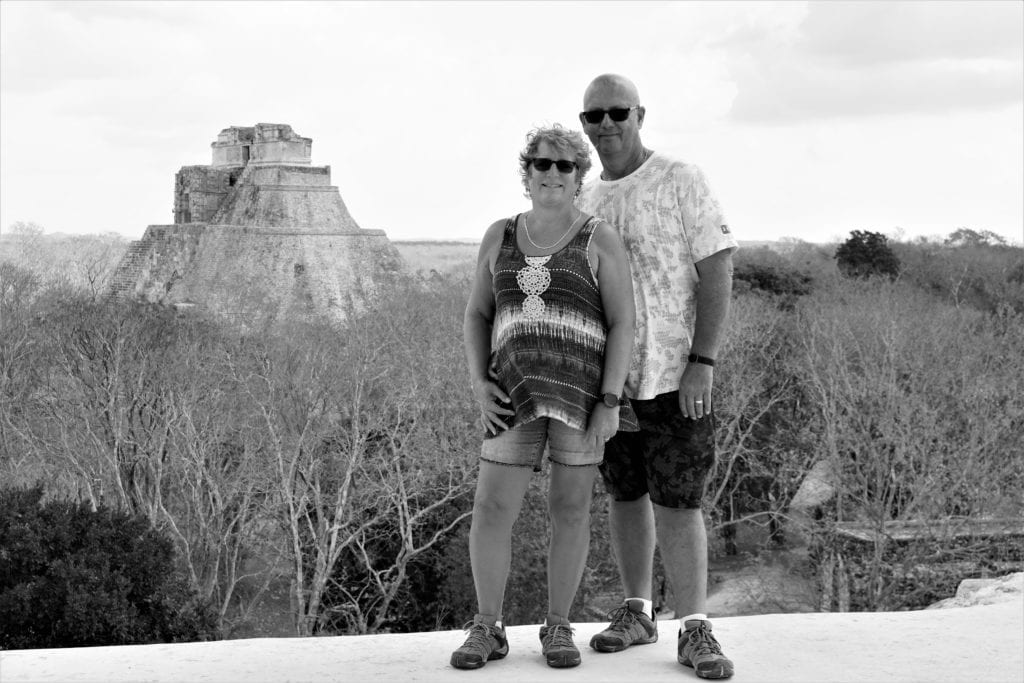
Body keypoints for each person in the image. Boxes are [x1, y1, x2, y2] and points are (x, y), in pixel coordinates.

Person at [450, 124, 636, 670]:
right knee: (490, 509)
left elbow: (623, 322)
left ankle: (558, 628)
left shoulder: (597, 237)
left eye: (565, 166)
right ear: (526, 171)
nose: (552, 173)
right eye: (542, 163)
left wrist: (610, 399)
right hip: (511, 394)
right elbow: (477, 313)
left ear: (580, 176)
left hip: (580, 398)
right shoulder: (500, 235)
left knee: (570, 510)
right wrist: (478, 382)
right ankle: (488, 627)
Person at [576, 74, 738, 680]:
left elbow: (717, 268)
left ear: (640, 114)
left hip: (677, 375)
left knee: (679, 500)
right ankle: (637, 610)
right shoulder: (586, 201)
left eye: (618, 112)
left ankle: (694, 628)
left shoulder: (679, 179)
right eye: (594, 116)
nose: (606, 125)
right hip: (611, 380)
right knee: (624, 494)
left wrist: (704, 361)